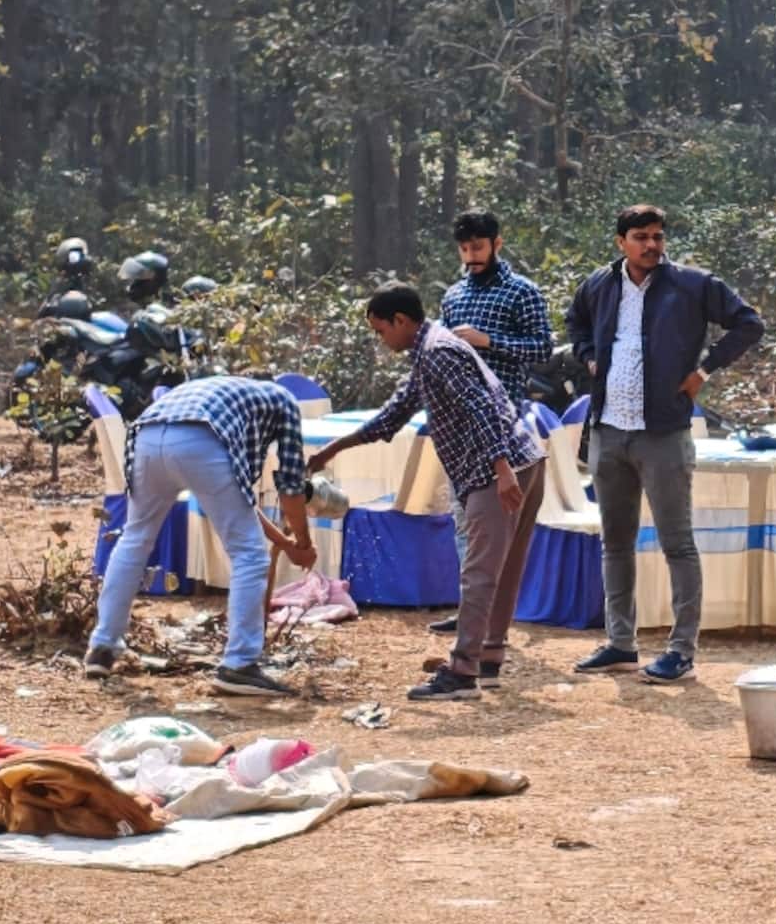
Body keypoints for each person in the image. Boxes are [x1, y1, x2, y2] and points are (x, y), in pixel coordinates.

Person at [310, 284, 547, 702]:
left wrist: (500, 468)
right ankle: (488, 658)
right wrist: (334, 448)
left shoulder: (438, 352)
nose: (381, 341)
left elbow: (482, 406)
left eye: (381, 331)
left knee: (478, 573)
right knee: (500, 569)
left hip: (500, 469)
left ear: (402, 321)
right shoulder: (429, 353)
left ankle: (462, 673)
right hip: (522, 460)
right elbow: (393, 416)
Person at [565, 205, 765, 684]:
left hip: (664, 433)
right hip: (610, 429)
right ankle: (620, 643)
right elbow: (575, 322)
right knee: (615, 543)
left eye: (657, 236)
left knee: (677, 543)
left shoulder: (692, 284)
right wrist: (591, 358)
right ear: (621, 242)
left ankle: (681, 650)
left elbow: (749, 323)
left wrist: (703, 371)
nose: (652, 245)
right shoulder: (599, 284)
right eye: (641, 237)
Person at [85, 376, 315, 697]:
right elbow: (291, 486)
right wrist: (304, 544)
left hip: (147, 438)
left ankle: (103, 647)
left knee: (135, 540)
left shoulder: (227, 394)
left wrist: (286, 544)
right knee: (249, 555)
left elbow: (241, 502)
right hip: (201, 438)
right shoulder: (285, 402)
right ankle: (240, 664)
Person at [427, 209, 554, 637]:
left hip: (503, 423)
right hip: (458, 425)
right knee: (463, 519)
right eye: (464, 248)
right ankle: (471, 610)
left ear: (497, 244)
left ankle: (490, 620)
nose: (471, 256)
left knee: (495, 526)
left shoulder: (523, 292)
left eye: (478, 247)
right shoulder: (453, 295)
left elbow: (543, 349)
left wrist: (489, 341)